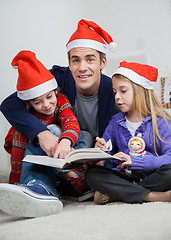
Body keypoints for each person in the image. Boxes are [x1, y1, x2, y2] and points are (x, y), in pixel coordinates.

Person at [0, 19, 118, 217]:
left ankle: (68, 184)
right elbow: (9, 104)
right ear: (69, 63)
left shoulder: (114, 90)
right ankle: (38, 188)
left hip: (85, 158)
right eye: (75, 60)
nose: (82, 67)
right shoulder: (57, 79)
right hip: (55, 150)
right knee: (53, 129)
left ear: (102, 62)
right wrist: (42, 133)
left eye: (90, 59)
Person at [0, 50, 81, 217]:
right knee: (48, 132)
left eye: (49, 97)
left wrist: (65, 141)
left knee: (60, 131)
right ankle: (32, 187)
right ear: (29, 102)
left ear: (55, 92)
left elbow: (71, 122)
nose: (46, 104)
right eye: (37, 101)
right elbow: (10, 146)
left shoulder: (61, 102)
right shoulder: (26, 121)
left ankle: (56, 186)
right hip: (25, 170)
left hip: (59, 160)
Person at [85, 61, 171, 205]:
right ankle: (152, 196)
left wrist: (137, 162)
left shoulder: (161, 122)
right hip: (125, 176)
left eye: (123, 91)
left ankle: (118, 194)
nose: (117, 96)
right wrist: (99, 151)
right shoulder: (115, 122)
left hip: (152, 175)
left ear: (140, 91)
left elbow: (169, 157)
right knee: (92, 175)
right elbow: (107, 156)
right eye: (115, 92)